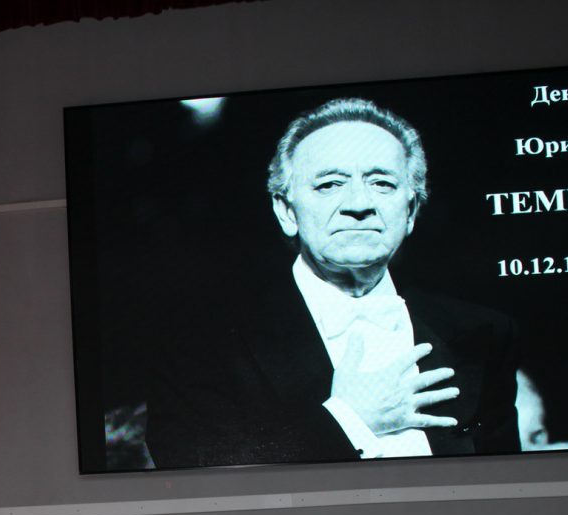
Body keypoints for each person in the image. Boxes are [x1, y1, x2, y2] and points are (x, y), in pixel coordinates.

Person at [145, 97, 519, 468]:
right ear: (287, 212)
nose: (358, 204)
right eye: (329, 185)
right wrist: (348, 423)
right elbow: (199, 484)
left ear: (411, 211)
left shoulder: (481, 333)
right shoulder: (201, 344)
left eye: (382, 183)